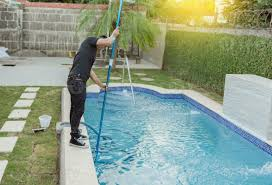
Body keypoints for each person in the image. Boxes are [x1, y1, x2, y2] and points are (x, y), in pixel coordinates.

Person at [67, 28, 120, 148]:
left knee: (75, 109)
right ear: (99, 41)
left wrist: (101, 85)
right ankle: (74, 138)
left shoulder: (89, 54)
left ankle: (75, 133)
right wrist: (113, 35)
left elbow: (90, 72)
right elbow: (108, 42)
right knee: (78, 109)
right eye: (101, 45)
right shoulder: (89, 41)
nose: (102, 48)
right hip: (77, 81)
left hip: (76, 81)